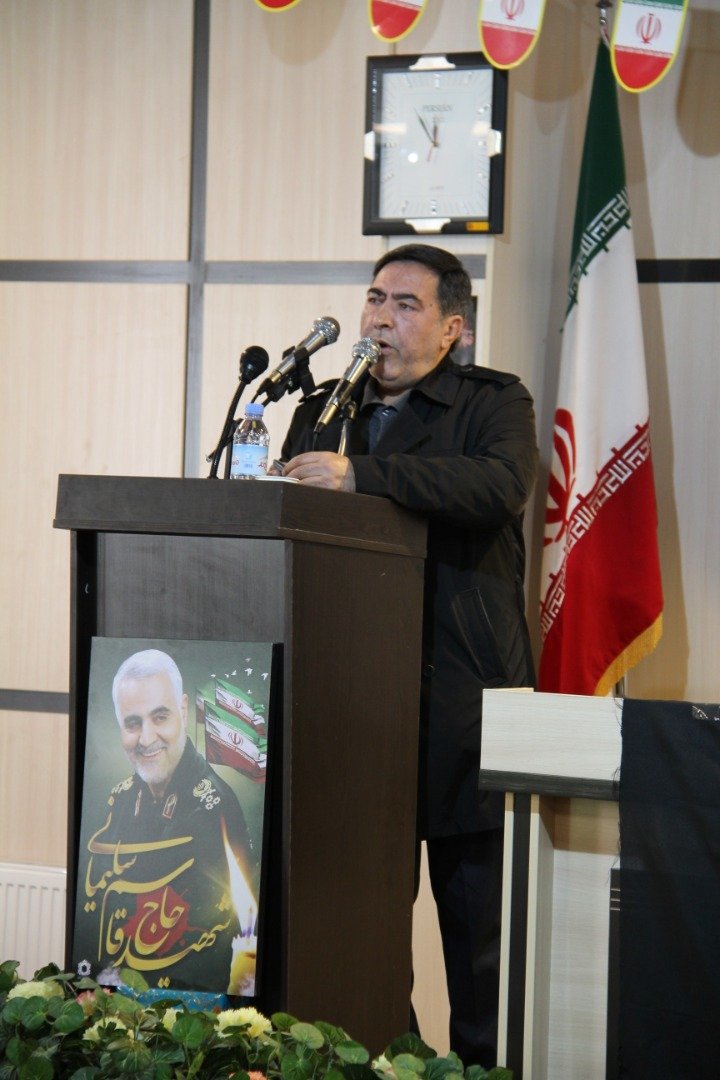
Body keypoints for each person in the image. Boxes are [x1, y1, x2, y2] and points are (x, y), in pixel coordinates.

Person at [274, 244, 538, 1068]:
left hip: (465, 713)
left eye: (405, 304)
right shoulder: (324, 409)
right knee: (359, 949)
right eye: (374, 298)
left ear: (452, 328)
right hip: (352, 712)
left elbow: (496, 487)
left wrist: (362, 476)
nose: (380, 317)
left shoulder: (493, 401)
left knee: (481, 955)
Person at [75, 648, 255, 994]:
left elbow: (219, 938)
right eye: (132, 723)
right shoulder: (118, 801)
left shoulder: (215, 808)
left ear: (183, 711)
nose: (146, 739)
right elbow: (95, 912)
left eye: (160, 717)